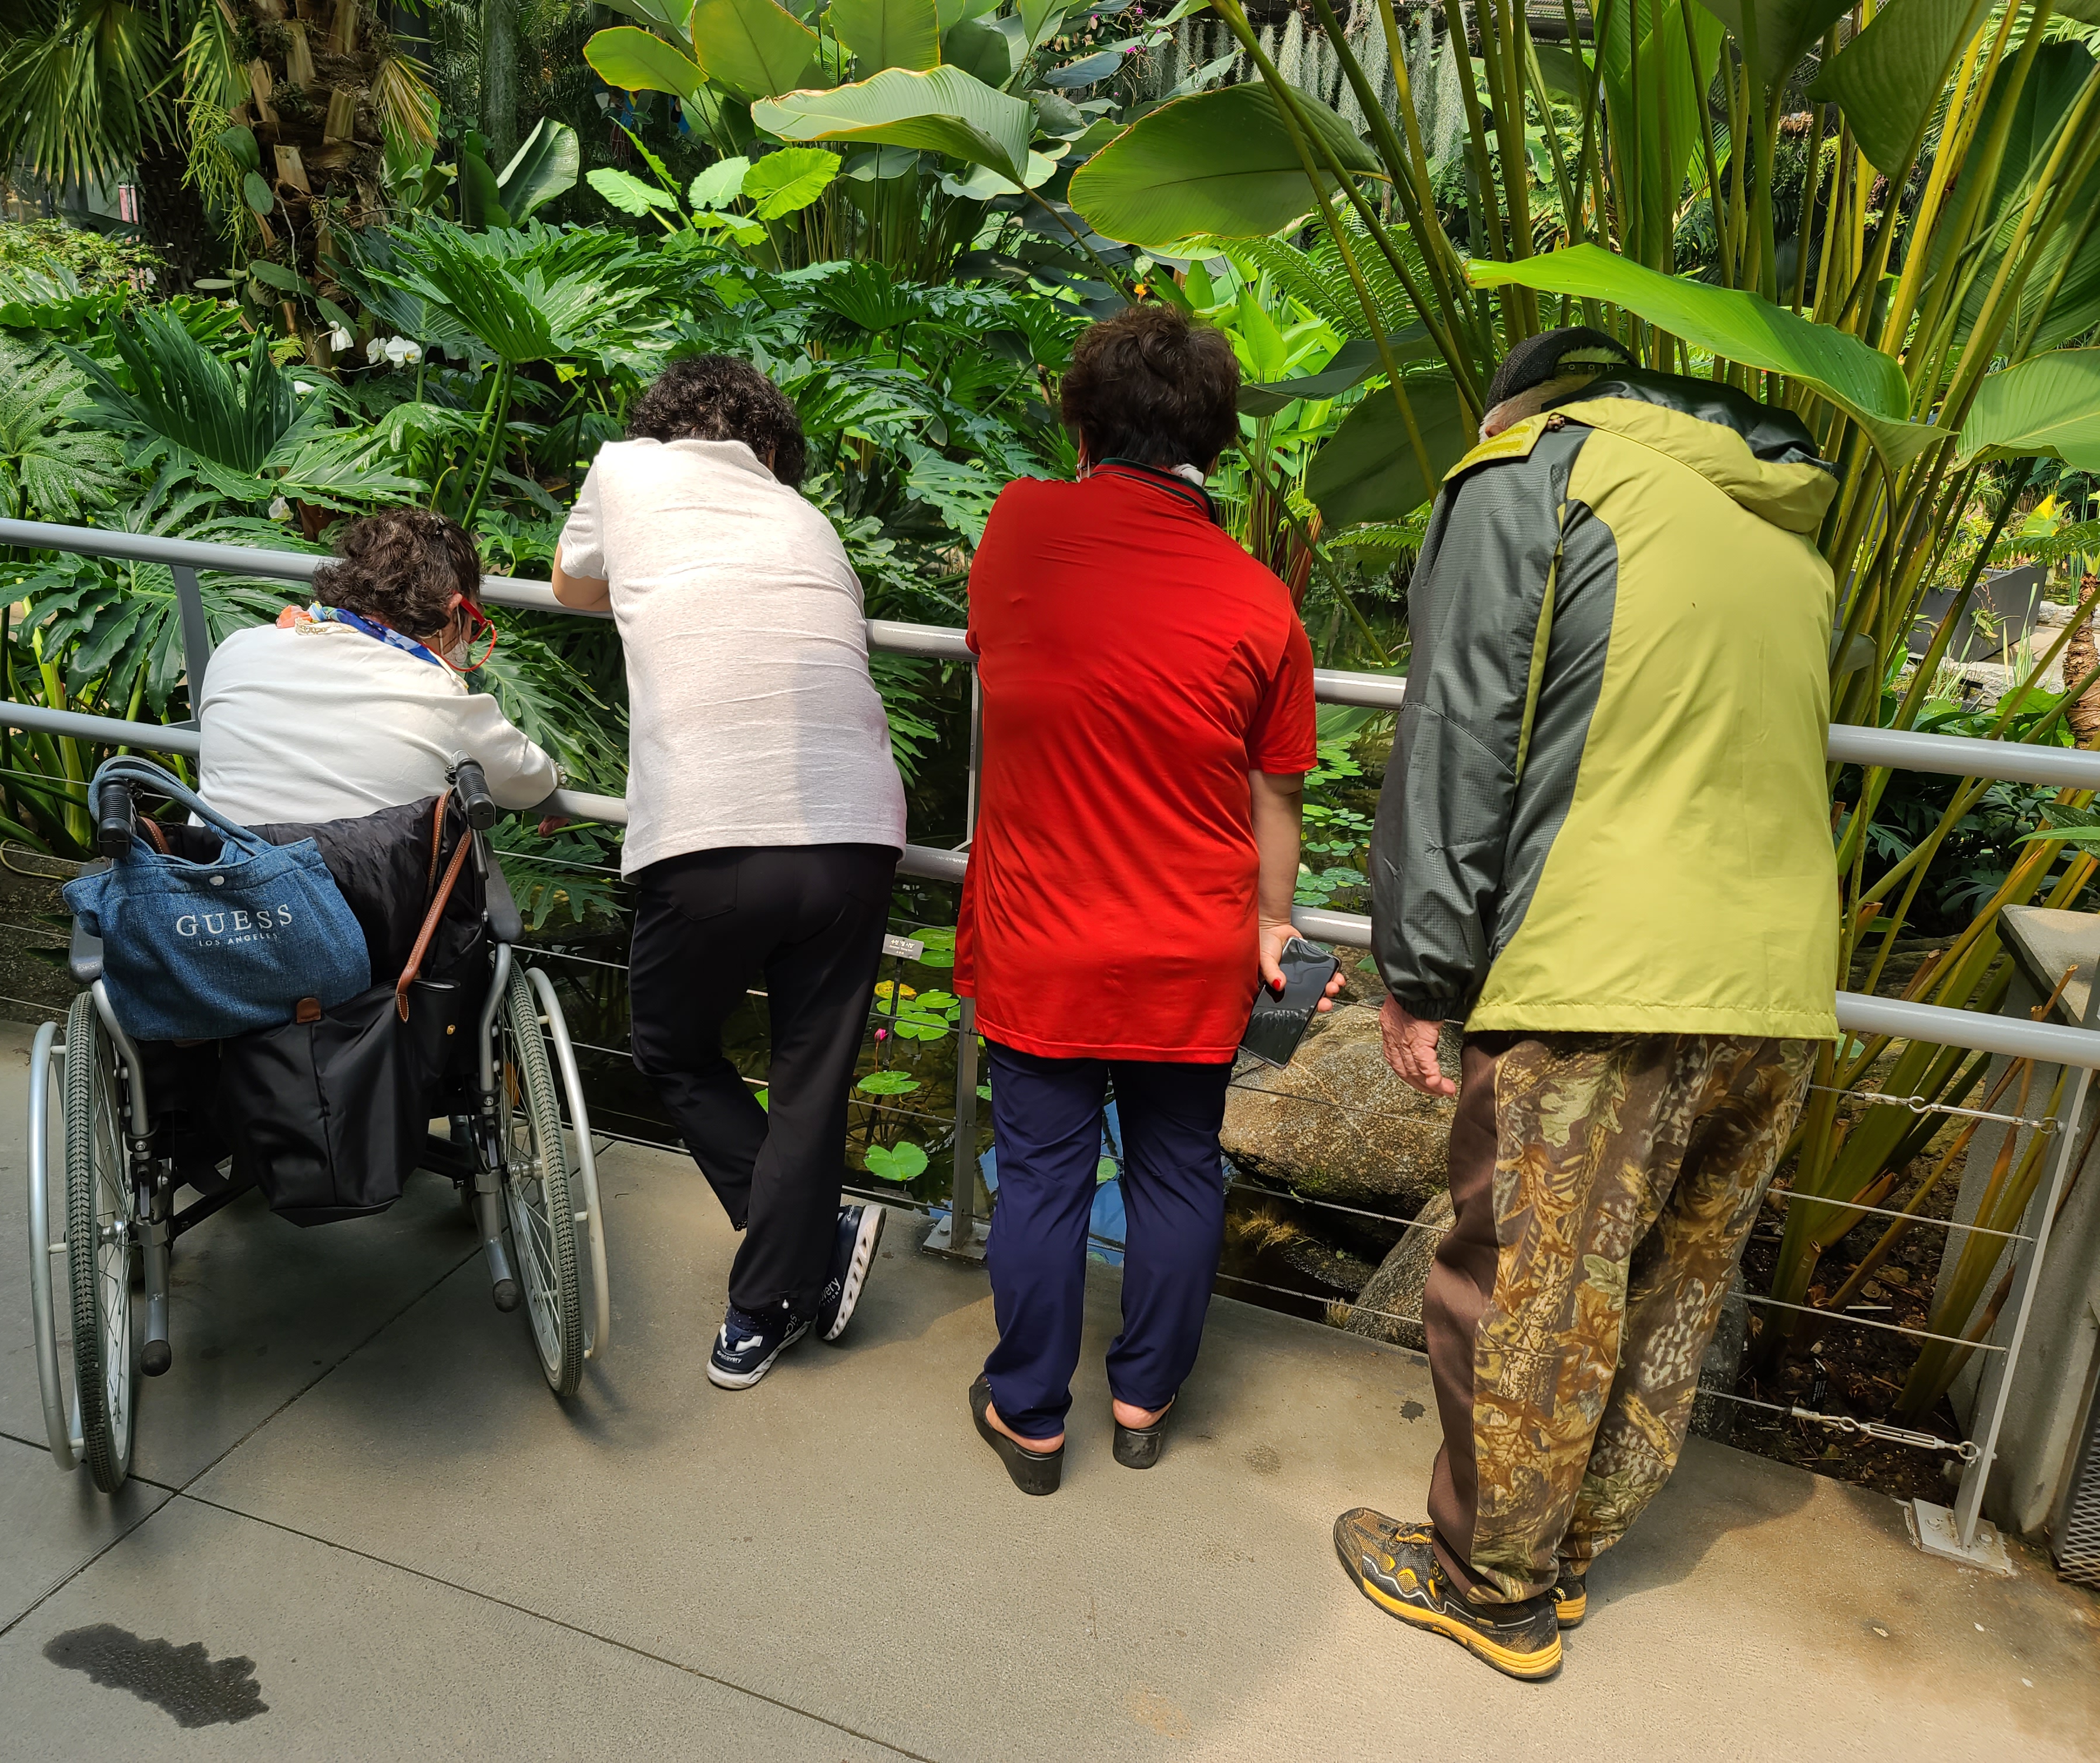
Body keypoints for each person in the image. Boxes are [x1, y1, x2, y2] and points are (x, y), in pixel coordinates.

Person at [1334, 327, 1840, 1681]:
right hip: (1780, 980)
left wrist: (1420, 974)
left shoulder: (1529, 477)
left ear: (1521, 404)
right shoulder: (1781, 530)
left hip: (1604, 963)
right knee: (1667, 1281)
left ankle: (1487, 1584)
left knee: (1526, 1291)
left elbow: (1458, 732)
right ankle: (1562, 1557)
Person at [957, 303, 1338, 1497]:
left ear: (1079, 419)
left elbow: (993, 653)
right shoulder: (1258, 600)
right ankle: (1139, 1396)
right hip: (1191, 944)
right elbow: (1276, 794)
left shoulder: (1019, 524)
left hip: (1040, 938)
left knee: (1042, 1178)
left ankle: (1028, 1416)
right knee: (1177, 1171)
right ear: (1217, 444)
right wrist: (1273, 923)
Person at [552, 356, 907, 1390]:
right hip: (857, 829)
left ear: (661, 426)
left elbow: (575, 584)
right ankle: (772, 1293)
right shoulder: (807, 520)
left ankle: (787, 1275)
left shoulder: (622, 471)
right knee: (810, 1076)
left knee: (668, 1044)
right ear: (772, 449)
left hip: (708, 829)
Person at [197, 508, 558, 824]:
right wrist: (563, 786)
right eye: (474, 624)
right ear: (453, 610)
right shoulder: (436, 695)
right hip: (356, 896)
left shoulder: (238, 649)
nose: (470, 640)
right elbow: (529, 781)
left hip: (216, 886)